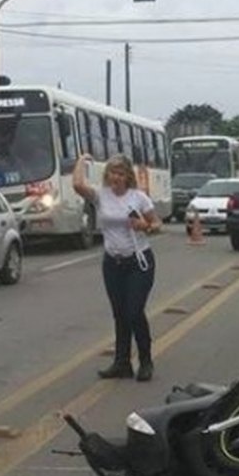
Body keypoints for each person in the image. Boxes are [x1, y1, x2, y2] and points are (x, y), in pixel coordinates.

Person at [73, 153, 161, 381]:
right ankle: (122, 363)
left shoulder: (138, 198)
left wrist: (145, 226)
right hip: (113, 263)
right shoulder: (101, 196)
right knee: (120, 314)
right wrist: (81, 161)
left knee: (134, 312)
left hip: (139, 262)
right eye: (112, 173)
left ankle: (146, 360)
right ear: (107, 175)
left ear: (127, 177)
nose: (116, 178)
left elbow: (156, 223)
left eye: (121, 174)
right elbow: (77, 185)